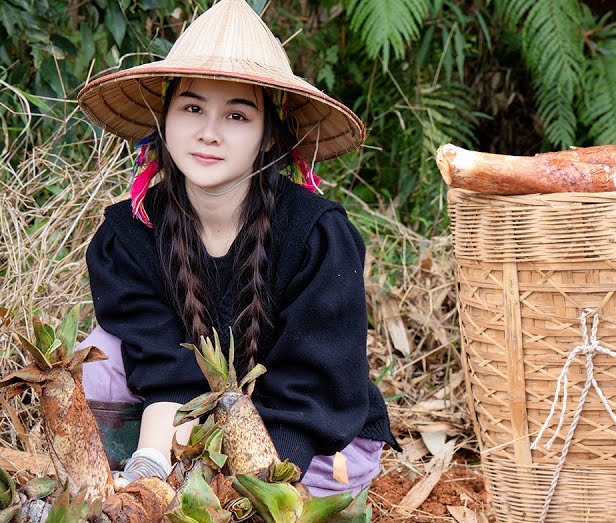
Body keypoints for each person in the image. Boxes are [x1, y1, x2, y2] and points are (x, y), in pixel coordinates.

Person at [75, 0, 398, 496]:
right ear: (164, 118)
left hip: (303, 438)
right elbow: (163, 368)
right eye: (192, 107)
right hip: (180, 424)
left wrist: (246, 486)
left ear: (270, 136)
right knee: (97, 357)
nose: (209, 132)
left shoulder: (317, 237)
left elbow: (317, 389)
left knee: (289, 515)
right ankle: (124, 473)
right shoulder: (129, 235)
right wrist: (156, 470)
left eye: (238, 115)